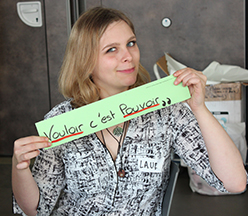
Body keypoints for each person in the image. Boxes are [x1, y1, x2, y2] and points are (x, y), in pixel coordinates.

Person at [12, 6, 247, 216]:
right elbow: (34, 210)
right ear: (85, 60)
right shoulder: (61, 121)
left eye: (131, 43)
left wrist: (199, 108)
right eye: (111, 50)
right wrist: (20, 167)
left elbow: (235, 183)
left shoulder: (165, 111)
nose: (128, 56)